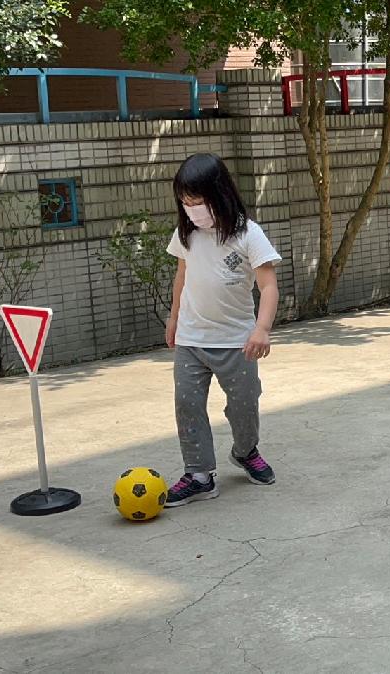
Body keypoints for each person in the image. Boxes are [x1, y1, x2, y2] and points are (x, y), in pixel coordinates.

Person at [163, 153, 282, 507]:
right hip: (191, 338)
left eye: (198, 202)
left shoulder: (248, 233)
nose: (192, 209)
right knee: (187, 404)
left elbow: (269, 286)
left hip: (237, 342)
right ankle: (199, 474)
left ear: (220, 195)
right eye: (185, 203)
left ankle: (246, 452)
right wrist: (173, 318)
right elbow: (181, 277)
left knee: (244, 404)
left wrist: (262, 328)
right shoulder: (187, 234)